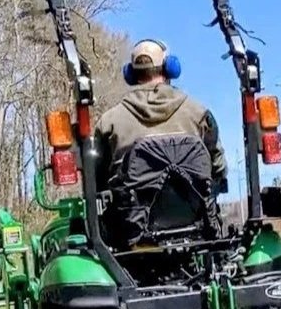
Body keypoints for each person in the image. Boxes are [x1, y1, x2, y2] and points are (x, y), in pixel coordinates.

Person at [93, 39, 228, 195]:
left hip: (130, 218)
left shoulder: (109, 122)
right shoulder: (199, 114)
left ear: (130, 73)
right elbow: (219, 169)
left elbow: (98, 180)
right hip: (195, 215)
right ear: (170, 68)